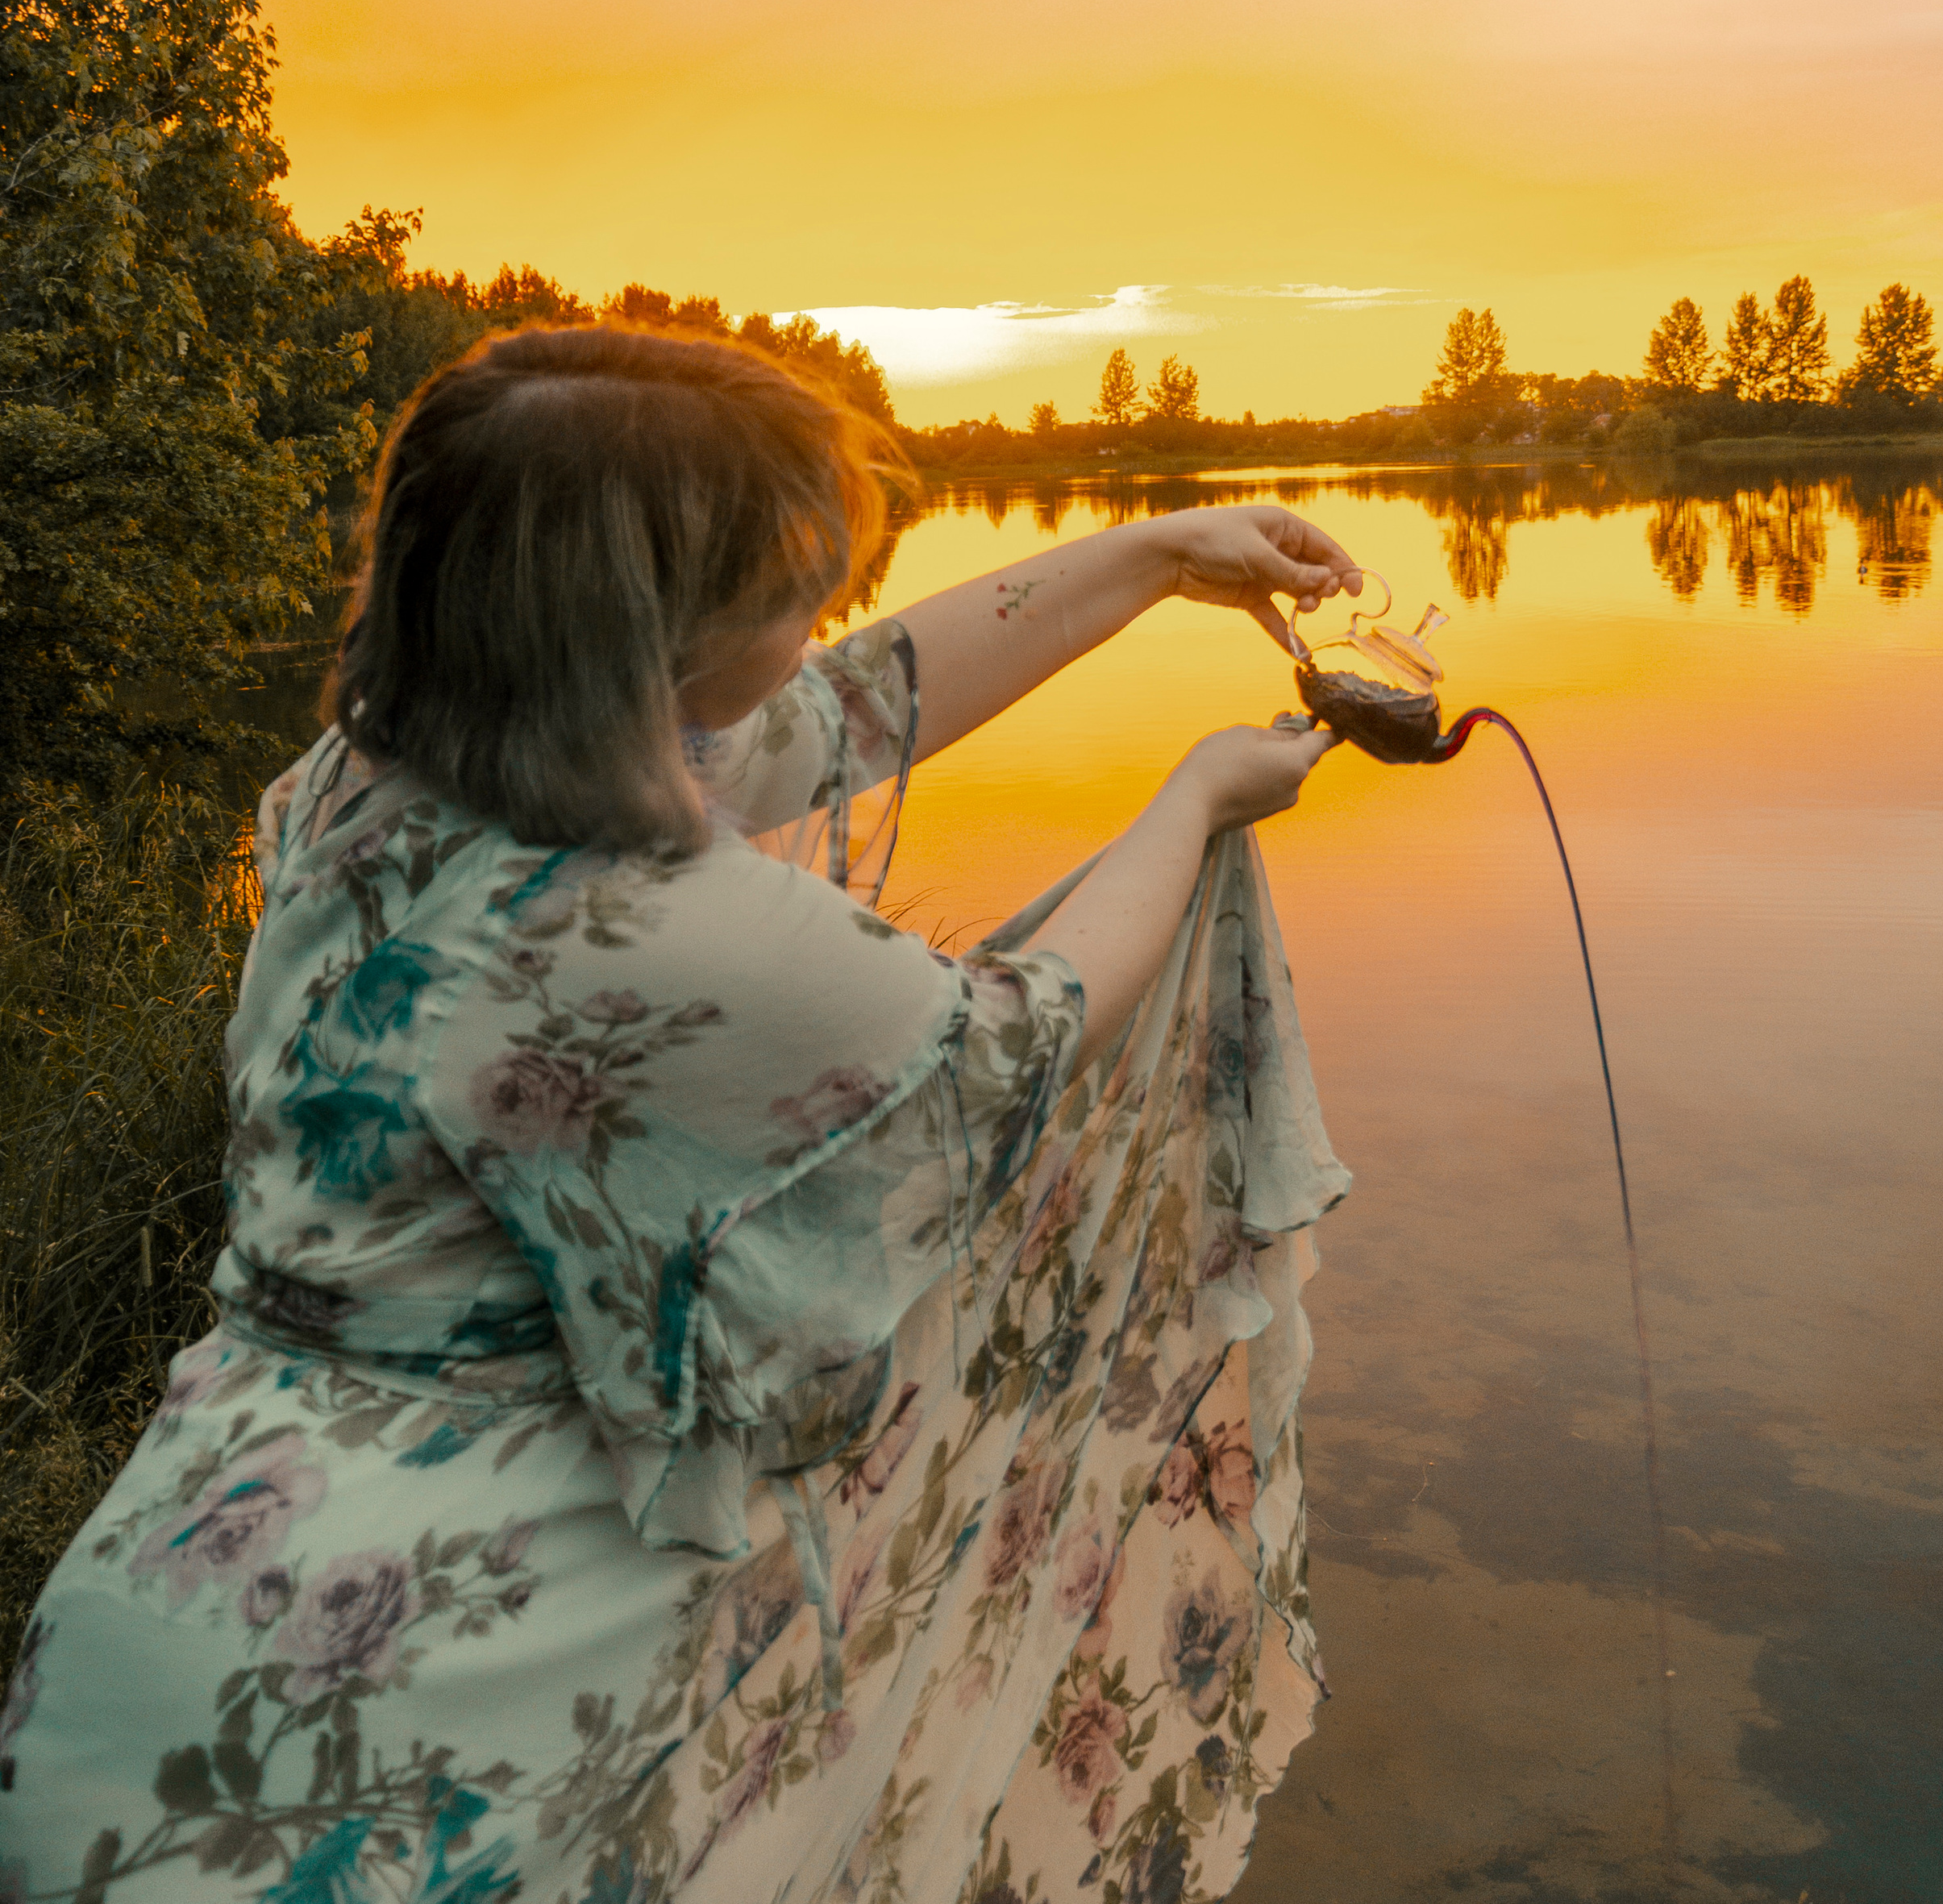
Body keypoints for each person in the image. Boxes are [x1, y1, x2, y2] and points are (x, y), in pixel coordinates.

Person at [0, 326, 1357, 1904]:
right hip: (413, 1714)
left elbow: (855, 707)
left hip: (153, 1618)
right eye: (787, 587)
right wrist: (1193, 797)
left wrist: (1154, 553)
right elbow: (1020, 1044)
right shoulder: (658, 928)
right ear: (653, 630)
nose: (822, 615)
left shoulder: (357, 787)